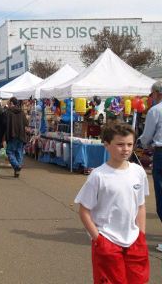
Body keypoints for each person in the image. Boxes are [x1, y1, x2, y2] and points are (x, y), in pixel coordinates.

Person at [75, 122, 149, 283]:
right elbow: (84, 210)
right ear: (107, 145)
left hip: (134, 240)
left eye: (130, 144)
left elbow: (141, 206)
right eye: (120, 144)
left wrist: (141, 235)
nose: (126, 149)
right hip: (107, 241)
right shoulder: (98, 176)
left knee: (137, 280)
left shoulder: (138, 172)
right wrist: (98, 239)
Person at [139, 80, 162, 252]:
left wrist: (140, 144)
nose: (151, 97)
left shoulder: (156, 110)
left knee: (161, 195)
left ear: (157, 93)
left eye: (152, 94)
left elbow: (147, 136)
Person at [5, 97, 29, 178]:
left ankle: (16, 166)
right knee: (19, 152)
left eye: (9, 103)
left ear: (11, 103)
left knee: (10, 152)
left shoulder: (8, 112)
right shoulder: (22, 112)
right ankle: (17, 169)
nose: (8, 104)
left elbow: (4, 124)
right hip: (21, 135)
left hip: (12, 135)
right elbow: (26, 123)